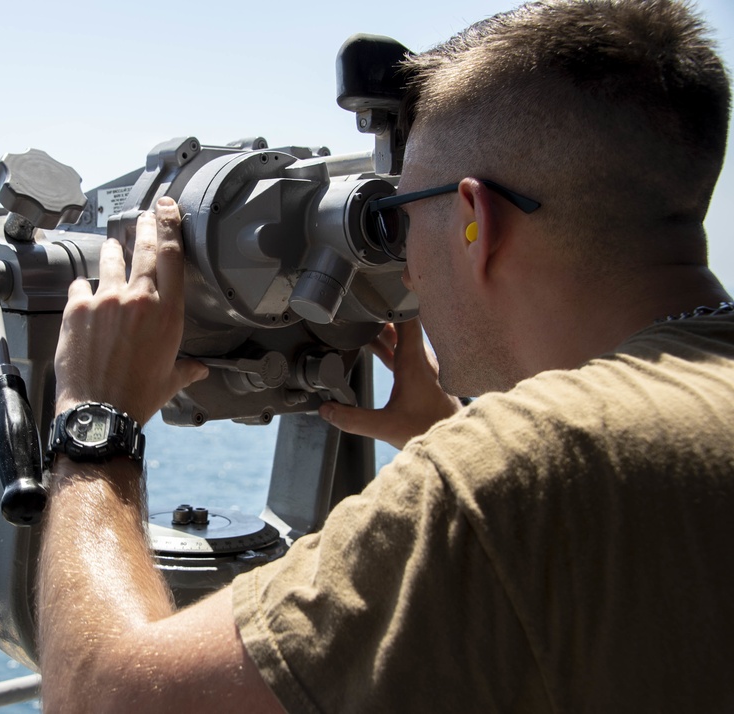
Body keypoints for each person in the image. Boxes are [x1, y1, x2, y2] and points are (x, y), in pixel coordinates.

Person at [37, 0, 734, 711]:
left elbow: (102, 697)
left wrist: (96, 420)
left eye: (402, 219)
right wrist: (440, 438)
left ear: (474, 221)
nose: (405, 274)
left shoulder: (518, 476)